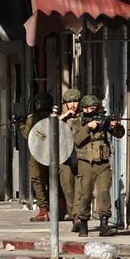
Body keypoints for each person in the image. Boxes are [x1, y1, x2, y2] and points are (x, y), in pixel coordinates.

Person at [72, 94, 125, 237]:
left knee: (104, 193)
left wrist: (115, 126)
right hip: (86, 164)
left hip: (103, 164)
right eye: (91, 108)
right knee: (85, 195)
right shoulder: (78, 121)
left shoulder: (102, 120)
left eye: (96, 108)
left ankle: (104, 225)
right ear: (84, 109)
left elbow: (119, 134)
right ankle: (83, 224)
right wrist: (88, 127)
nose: (94, 110)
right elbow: (76, 139)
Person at [21, 92, 54, 222]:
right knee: (54, 181)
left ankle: (43, 211)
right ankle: (58, 208)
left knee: (37, 181)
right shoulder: (55, 117)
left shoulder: (33, 118)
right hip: (54, 155)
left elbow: (27, 134)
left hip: (38, 154)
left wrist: (21, 125)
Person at [58, 88, 81, 220]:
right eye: (69, 102)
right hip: (65, 158)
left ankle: (79, 215)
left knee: (81, 188)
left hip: (80, 156)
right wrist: (64, 117)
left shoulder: (83, 117)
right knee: (68, 188)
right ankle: (74, 215)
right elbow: (47, 130)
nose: (72, 105)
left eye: (75, 101)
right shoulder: (60, 119)